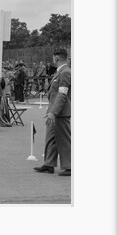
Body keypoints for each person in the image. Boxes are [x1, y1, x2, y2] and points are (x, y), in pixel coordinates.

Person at [34, 48, 71, 176]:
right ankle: (49, 164)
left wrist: (53, 112)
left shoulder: (65, 72)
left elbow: (62, 94)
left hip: (60, 112)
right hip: (54, 110)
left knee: (64, 139)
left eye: (53, 58)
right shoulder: (59, 72)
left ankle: (70, 166)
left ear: (56, 58)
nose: (52, 60)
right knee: (51, 138)